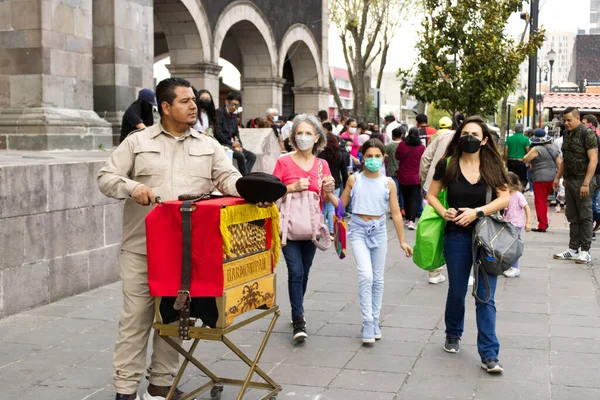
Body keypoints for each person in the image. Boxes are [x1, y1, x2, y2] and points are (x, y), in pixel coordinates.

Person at [98, 77, 244, 400]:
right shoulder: (138, 142)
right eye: (184, 101)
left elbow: (229, 179)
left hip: (186, 252)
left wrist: (253, 189)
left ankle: (160, 385)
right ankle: (125, 390)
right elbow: (106, 177)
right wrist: (132, 187)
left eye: (194, 100)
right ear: (165, 108)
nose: (194, 106)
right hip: (142, 249)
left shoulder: (208, 145)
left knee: (175, 319)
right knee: (135, 319)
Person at [426, 116, 510, 373]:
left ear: (485, 140)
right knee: (457, 289)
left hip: (487, 239)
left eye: (474, 134)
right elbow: (430, 194)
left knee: (486, 297)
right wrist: (443, 211)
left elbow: (504, 198)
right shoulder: (447, 164)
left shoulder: (492, 165)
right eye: (464, 134)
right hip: (456, 236)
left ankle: (489, 354)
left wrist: (478, 212)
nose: (469, 138)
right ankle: (453, 333)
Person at [326, 139, 413, 343]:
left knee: (378, 278)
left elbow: (396, 213)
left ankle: (375, 320)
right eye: (368, 156)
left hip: (380, 231)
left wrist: (402, 241)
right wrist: (329, 195)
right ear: (362, 157)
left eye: (377, 156)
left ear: (383, 158)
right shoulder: (353, 180)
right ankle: (367, 322)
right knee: (366, 276)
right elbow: (342, 206)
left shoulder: (388, 183)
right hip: (357, 230)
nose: (373, 160)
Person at [272, 114, 335, 342]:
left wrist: (329, 187)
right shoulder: (284, 162)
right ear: (293, 137)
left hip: (312, 228)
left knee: (305, 273)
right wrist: (291, 187)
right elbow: (272, 191)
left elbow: (326, 199)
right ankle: (299, 320)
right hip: (288, 228)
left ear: (317, 137)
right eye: (300, 133)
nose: (304, 137)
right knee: (295, 272)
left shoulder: (322, 165)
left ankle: (297, 307)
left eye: (308, 133)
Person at [553, 107, 598, 264]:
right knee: (572, 215)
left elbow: (593, 159)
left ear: (577, 118)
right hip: (570, 180)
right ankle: (573, 249)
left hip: (583, 181)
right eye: (564, 120)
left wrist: (586, 183)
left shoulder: (587, 133)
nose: (566, 123)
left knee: (585, 216)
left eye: (569, 120)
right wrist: (558, 176)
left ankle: (585, 251)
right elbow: (566, 158)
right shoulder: (566, 133)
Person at [420, 127, 457, 285]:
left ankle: (434, 272)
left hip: (432, 188)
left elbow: (425, 159)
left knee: (433, 228)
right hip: (456, 189)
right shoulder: (477, 139)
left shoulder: (443, 136)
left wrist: (425, 182)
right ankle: (460, 269)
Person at [523, 129, 561, 232]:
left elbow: (525, 159)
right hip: (552, 177)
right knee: (544, 200)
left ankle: (542, 224)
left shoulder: (536, 149)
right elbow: (559, 164)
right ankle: (544, 221)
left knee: (540, 201)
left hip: (540, 178)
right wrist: (559, 177)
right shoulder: (553, 148)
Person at [215, 92, 256, 175]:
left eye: (237, 106)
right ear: (226, 102)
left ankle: (243, 177)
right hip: (222, 144)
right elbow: (217, 132)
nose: (234, 107)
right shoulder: (218, 112)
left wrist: (239, 144)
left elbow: (236, 133)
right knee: (241, 156)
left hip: (232, 144)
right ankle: (245, 179)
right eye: (232, 104)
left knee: (252, 156)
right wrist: (231, 143)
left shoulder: (234, 116)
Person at [318, 130, 349, 233]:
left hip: (322, 183)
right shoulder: (340, 155)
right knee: (332, 207)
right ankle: (331, 231)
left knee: (322, 207)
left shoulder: (320, 156)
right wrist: (346, 185)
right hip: (336, 184)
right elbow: (344, 172)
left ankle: (320, 229)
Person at [395, 127, 426, 230]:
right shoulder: (421, 147)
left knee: (406, 198)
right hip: (415, 177)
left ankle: (407, 218)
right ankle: (412, 221)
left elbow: (397, 156)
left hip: (403, 176)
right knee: (414, 199)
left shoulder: (402, 144)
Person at [503, 172, 531, 278]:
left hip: (516, 225)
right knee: (507, 247)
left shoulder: (518, 195)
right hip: (507, 224)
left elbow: (527, 208)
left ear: (513, 185)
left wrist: (528, 222)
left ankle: (515, 268)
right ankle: (509, 266)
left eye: (506, 185)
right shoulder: (506, 195)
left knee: (514, 247)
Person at [504, 124, 530, 191]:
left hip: (511, 161)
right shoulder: (525, 139)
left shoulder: (509, 139)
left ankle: (512, 191)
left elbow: (505, 151)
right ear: (522, 130)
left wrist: (506, 161)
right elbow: (528, 151)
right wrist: (529, 162)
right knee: (522, 179)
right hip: (521, 162)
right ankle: (520, 191)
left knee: (511, 178)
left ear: (514, 130)